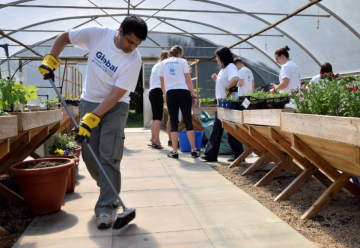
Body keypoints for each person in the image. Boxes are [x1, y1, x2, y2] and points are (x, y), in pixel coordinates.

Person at [37, 16, 148, 228]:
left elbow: (115, 95)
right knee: (90, 155)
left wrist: (93, 118)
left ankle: (105, 207)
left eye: (137, 45)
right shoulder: (98, 35)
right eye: (130, 42)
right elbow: (64, 37)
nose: (132, 47)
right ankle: (109, 188)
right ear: (120, 31)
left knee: (109, 154)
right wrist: (51, 58)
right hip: (89, 101)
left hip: (116, 107)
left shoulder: (134, 60)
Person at [201, 47, 244, 163]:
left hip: (228, 104)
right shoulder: (223, 69)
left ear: (222, 57)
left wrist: (227, 88)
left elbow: (235, 79)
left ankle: (236, 155)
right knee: (220, 129)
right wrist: (217, 80)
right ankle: (236, 154)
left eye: (217, 56)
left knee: (226, 130)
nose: (216, 59)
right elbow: (227, 82)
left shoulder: (231, 67)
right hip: (223, 103)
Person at [158, 45, 200, 159]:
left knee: (173, 122)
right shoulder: (183, 61)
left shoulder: (162, 63)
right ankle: (193, 150)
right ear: (180, 53)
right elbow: (188, 80)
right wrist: (194, 95)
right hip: (184, 92)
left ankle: (175, 151)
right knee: (188, 121)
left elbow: (162, 83)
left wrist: (165, 95)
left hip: (171, 93)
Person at [149, 50, 169, 149]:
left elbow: (150, 81)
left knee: (154, 116)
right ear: (165, 58)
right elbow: (164, 81)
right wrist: (165, 94)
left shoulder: (155, 66)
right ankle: (157, 140)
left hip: (151, 91)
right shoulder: (163, 65)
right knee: (158, 118)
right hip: (157, 91)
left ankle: (153, 138)